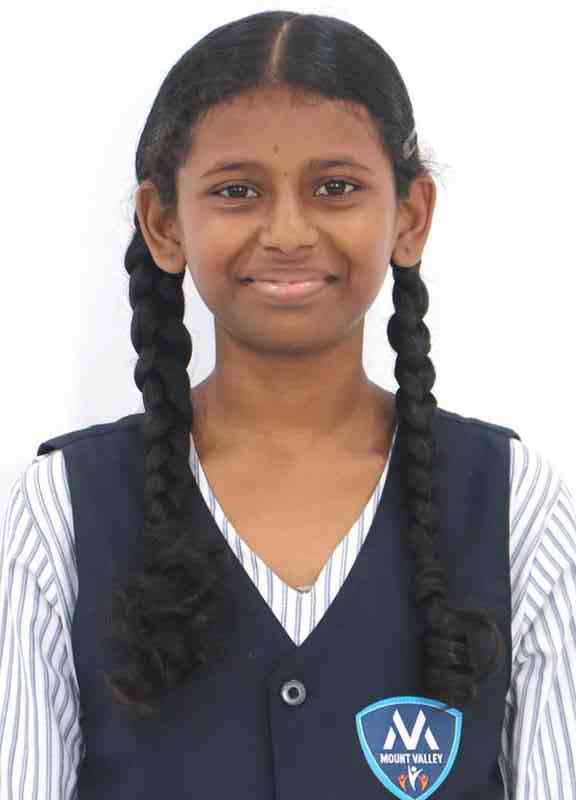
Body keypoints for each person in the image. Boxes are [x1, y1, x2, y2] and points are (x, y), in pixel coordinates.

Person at [1, 9, 575, 799]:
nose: (287, 232)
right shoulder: (60, 514)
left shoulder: (516, 508)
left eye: (335, 188)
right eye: (237, 191)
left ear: (409, 217)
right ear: (164, 224)